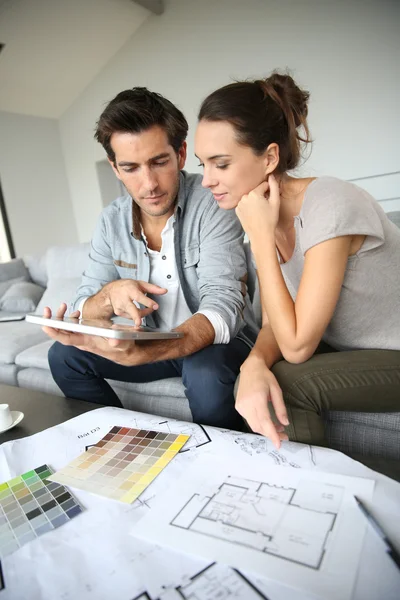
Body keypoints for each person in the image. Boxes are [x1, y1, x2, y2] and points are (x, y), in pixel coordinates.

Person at [195, 72, 400, 451]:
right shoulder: (264, 215)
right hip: (359, 351)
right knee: (256, 378)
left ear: (270, 157)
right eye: (202, 164)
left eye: (220, 164)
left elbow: (297, 346)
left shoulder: (330, 203)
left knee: (287, 383)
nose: (206, 180)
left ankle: (314, 500)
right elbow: (276, 323)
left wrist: (258, 240)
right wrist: (253, 363)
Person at [45, 87, 259, 431]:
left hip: (216, 344)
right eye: (130, 168)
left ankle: (224, 467)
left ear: (181, 153)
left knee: (204, 372)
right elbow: (85, 302)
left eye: (159, 162)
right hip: (151, 343)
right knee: (63, 357)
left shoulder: (213, 202)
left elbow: (225, 303)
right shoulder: (110, 220)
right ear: (115, 168)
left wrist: (151, 350)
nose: (149, 184)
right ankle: (122, 443)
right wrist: (107, 295)